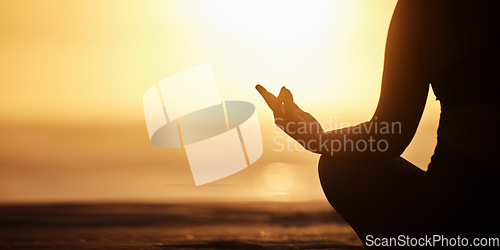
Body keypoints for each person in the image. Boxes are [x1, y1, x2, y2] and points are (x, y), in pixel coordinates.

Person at [257, 0, 500, 246]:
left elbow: (388, 136)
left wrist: (315, 139)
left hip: (458, 210)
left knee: (337, 167)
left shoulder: (421, 8)